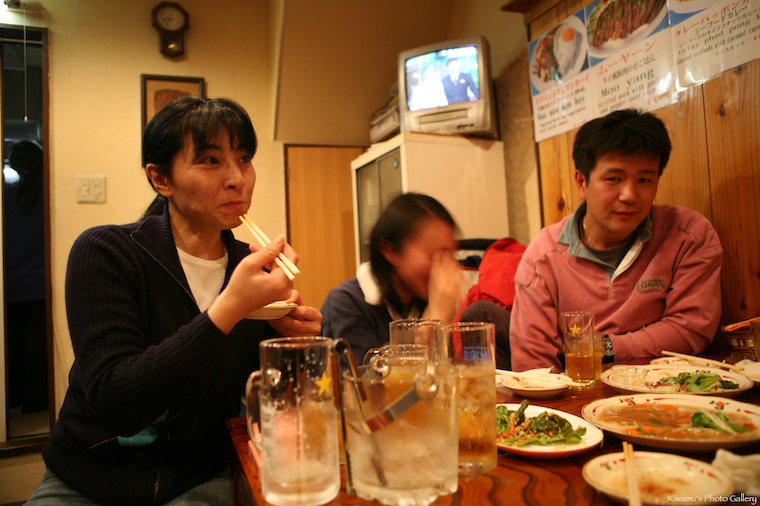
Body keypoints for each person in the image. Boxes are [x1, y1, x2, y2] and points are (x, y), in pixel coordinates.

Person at [25, 96, 321, 505]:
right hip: (88, 478)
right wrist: (229, 309)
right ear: (161, 179)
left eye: (244, 158)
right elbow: (117, 404)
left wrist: (296, 343)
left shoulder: (254, 270)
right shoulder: (106, 252)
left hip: (198, 476)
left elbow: (274, 403)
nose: (237, 179)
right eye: (211, 160)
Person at [509, 108, 723, 372]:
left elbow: (691, 328)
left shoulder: (688, 236)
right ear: (582, 183)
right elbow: (534, 370)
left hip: (666, 388)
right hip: (575, 393)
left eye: (644, 179)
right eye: (614, 179)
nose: (630, 195)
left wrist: (605, 348)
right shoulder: (543, 259)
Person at [321, 192, 465, 363]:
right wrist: (436, 316)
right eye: (434, 253)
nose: (445, 267)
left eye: (451, 255)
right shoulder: (346, 303)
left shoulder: (428, 298)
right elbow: (367, 378)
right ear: (391, 252)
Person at [4, 140, 48, 413]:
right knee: (37, 348)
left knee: (13, 346)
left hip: (10, 284)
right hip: (41, 284)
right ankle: (36, 403)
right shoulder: (50, 193)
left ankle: (14, 398)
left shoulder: (6, 198)